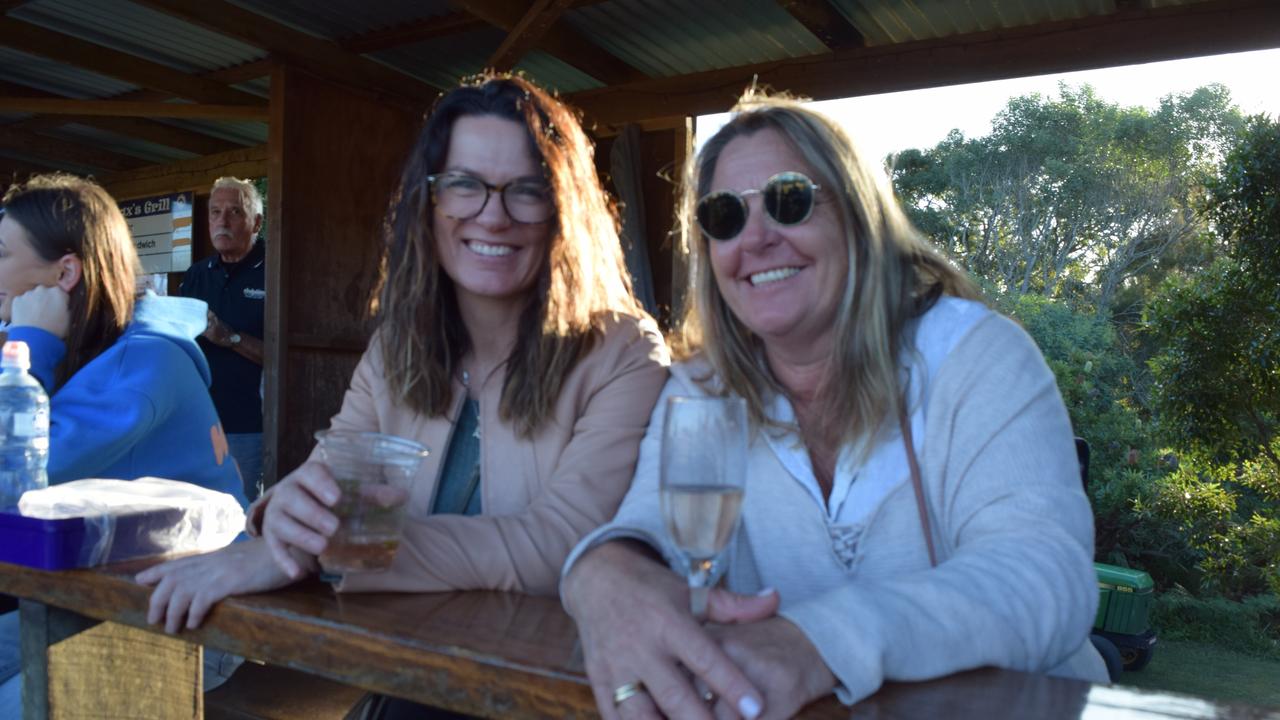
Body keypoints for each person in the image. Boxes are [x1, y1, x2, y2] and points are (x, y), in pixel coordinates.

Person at [560, 92, 1108, 720]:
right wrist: (604, 570)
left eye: (789, 200)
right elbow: (651, 536)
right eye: (724, 216)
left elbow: (1044, 580)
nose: (757, 237)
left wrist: (819, 641)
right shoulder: (702, 387)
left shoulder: (979, 357)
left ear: (858, 214)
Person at [138, 74, 667, 646]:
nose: (493, 215)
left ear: (563, 210)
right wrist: (286, 519)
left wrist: (330, 550)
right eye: (464, 185)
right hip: (405, 670)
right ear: (428, 206)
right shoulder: (395, 349)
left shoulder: (625, 353)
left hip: (554, 683)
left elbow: (564, 543)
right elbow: (330, 480)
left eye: (527, 188)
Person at [0, 173, 247, 714]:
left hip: (194, 615)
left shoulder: (143, 361)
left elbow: (12, 481)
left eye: (1, 253)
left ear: (65, 272)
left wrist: (28, 349)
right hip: (104, 591)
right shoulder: (91, 348)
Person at [180, 176, 266, 501]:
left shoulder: (277, 269)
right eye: (215, 212)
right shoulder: (197, 274)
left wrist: (228, 337)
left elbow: (289, 357)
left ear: (256, 221)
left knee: (238, 519)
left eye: (234, 212)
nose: (222, 221)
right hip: (196, 421)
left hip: (250, 427)